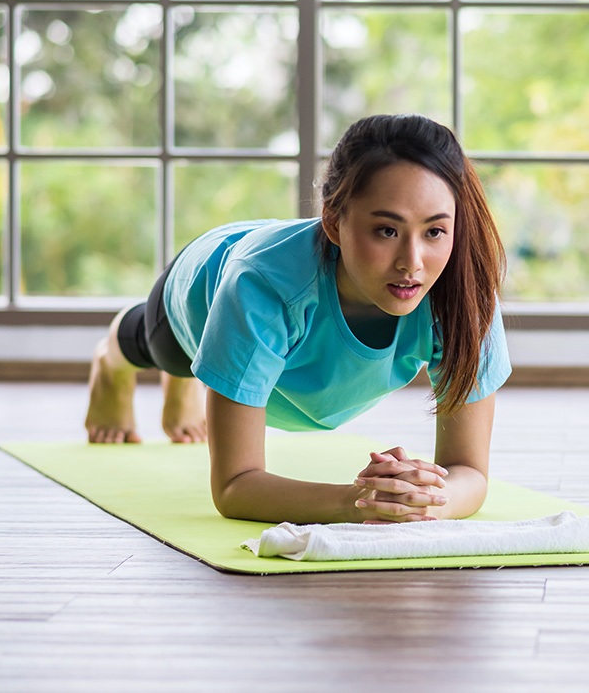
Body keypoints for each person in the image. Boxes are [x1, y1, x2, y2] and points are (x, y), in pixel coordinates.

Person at [84, 114, 510, 525]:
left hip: (282, 281)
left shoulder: (465, 295)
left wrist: (424, 499)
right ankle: (115, 362)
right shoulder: (258, 288)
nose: (412, 264)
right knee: (158, 348)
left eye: (435, 231)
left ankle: (196, 380)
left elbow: (468, 471)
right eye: (386, 230)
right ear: (333, 221)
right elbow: (234, 486)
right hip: (202, 289)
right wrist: (360, 501)